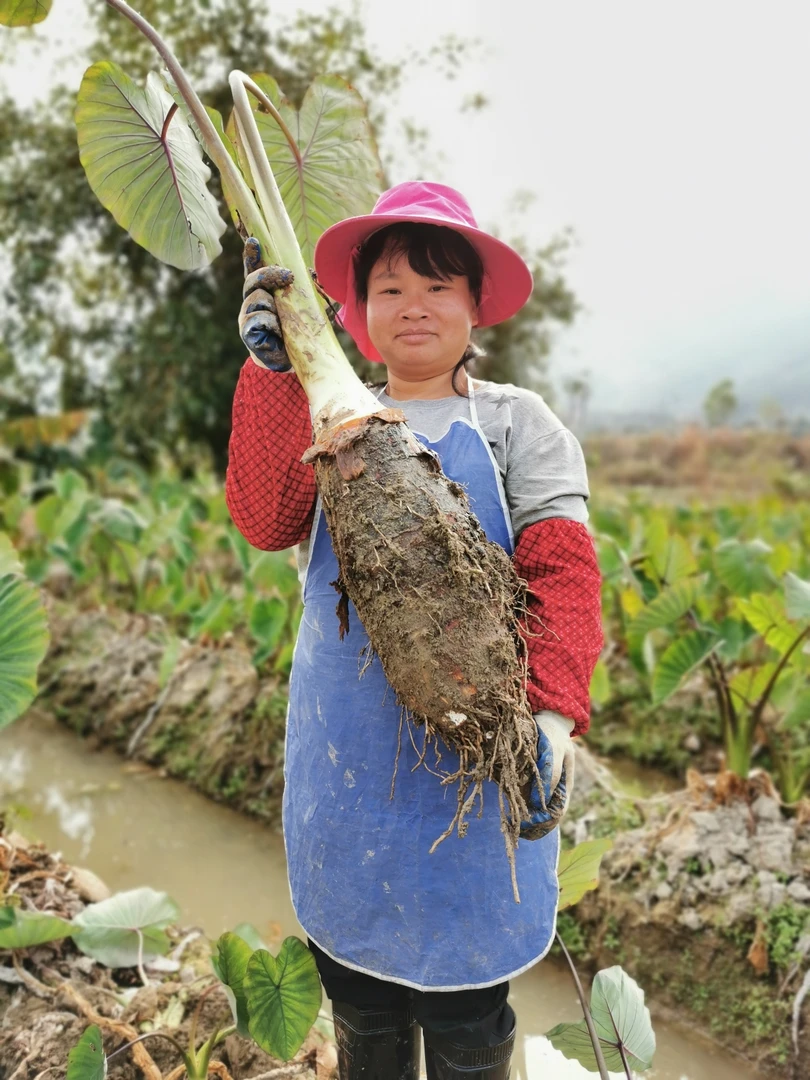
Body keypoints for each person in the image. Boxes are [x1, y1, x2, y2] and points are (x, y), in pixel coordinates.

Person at [225, 182, 604, 1080]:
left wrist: (552, 717)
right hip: (345, 767)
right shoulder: (327, 414)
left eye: (438, 286)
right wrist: (274, 375)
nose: (415, 307)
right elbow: (265, 519)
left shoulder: (516, 423)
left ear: (476, 306)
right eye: (390, 288)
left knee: (467, 1009)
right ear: (357, 313)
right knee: (359, 997)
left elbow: (564, 572)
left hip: (475, 771)